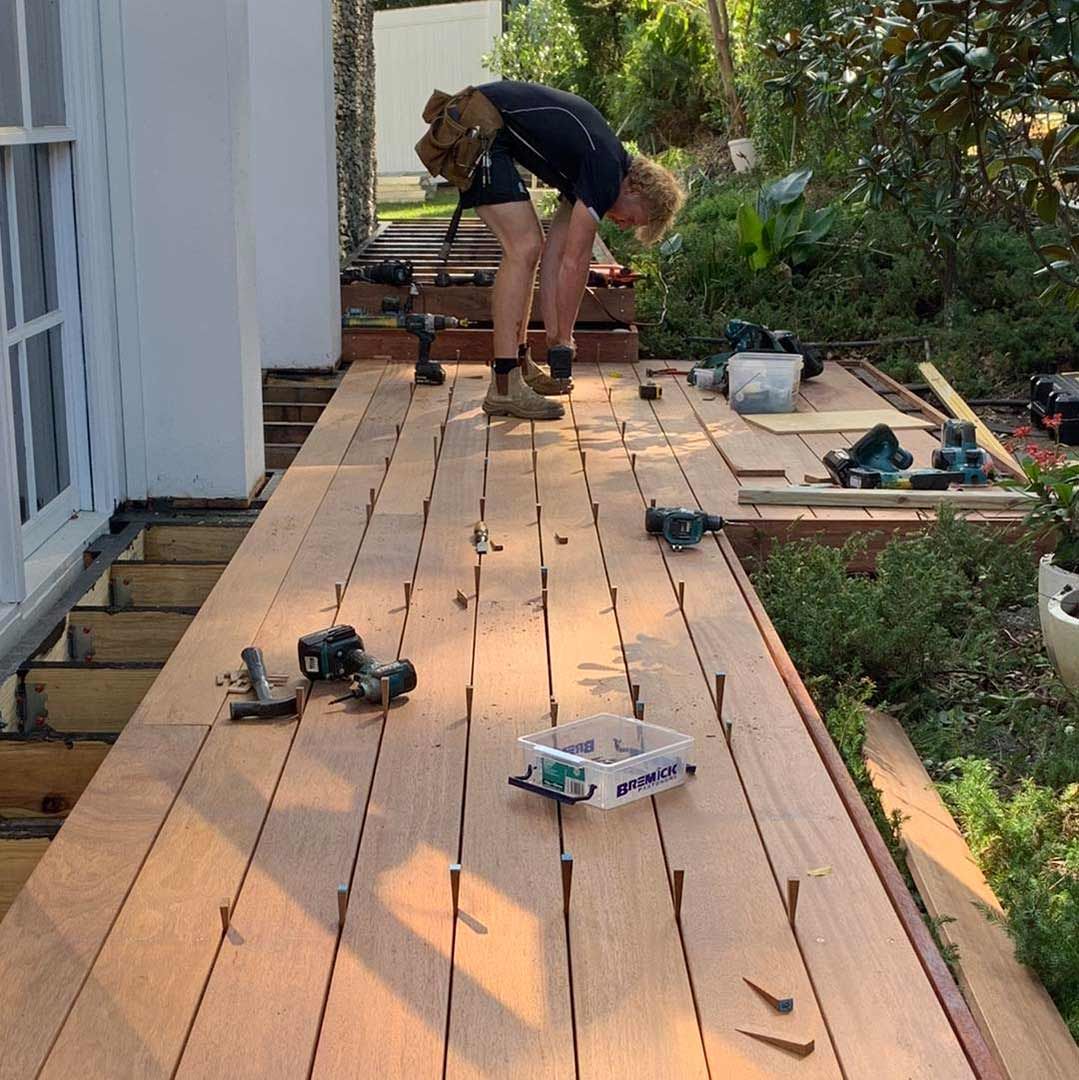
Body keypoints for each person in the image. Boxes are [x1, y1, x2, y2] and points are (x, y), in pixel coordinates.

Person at [453, 80, 685, 420]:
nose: (622, 224)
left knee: (533, 248)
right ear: (635, 187)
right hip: (477, 125)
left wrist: (555, 338)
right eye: (633, 218)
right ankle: (504, 385)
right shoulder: (606, 172)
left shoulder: (595, 168)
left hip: (484, 126)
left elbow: (556, 258)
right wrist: (565, 338)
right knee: (523, 246)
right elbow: (575, 265)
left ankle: (518, 365)